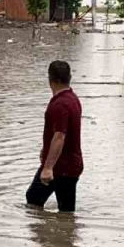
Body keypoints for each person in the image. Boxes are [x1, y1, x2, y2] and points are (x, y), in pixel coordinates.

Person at [26, 61, 83, 212]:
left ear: (51, 80)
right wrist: (45, 150)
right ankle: (65, 234)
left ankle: (40, 234)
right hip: (72, 164)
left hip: (60, 167)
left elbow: (59, 136)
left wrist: (48, 167)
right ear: (69, 77)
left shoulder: (60, 104)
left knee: (33, 199)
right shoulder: (73, 99)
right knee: (66, 211)